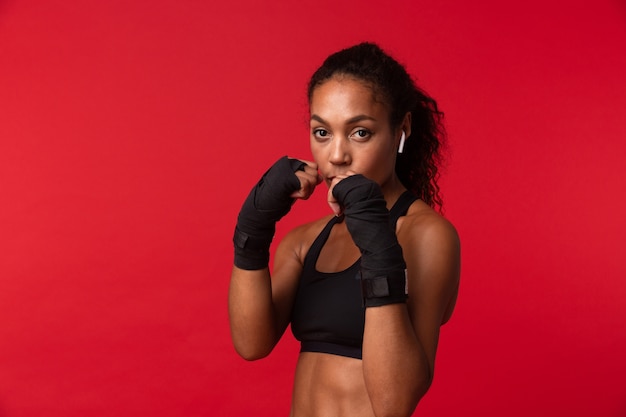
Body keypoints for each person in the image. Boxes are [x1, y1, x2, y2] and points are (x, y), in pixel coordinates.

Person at [228, 42, 460, 417]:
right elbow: (251, 343)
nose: (336, 155)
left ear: (401, 129)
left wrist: (375, 235)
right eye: (322, 133)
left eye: (360, 133)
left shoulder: (426, 236)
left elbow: (395, 402)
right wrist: (252, 228)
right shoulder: (305, 241)